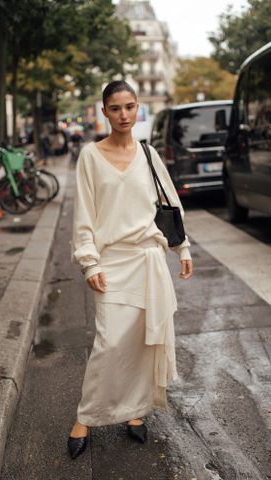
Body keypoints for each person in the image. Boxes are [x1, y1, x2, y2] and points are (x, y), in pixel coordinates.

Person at [68, 81, 193, 460]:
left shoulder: (149, 154)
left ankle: (135, 412)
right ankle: (85, 417)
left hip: (148, 261)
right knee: (109, 344)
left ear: (137, 109)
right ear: (104, 111)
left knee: (141, 342)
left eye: (130, 107)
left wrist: (182, 249)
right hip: (111, 263)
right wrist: (89, 261)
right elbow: (84, 217)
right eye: (116, 108)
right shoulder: (90, 156)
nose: (124, 115)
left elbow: (170, 204)